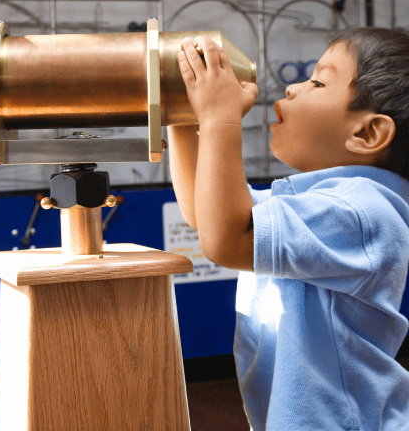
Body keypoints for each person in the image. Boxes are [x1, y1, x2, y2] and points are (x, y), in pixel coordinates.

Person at [168, 27, 409, 430]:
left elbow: (225, 238)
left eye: (318, 81)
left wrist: (219, 118)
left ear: (367, 133)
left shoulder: (363, 213)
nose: (294, 88)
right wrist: (182, 114)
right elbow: (204, 212)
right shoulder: (321, 204)